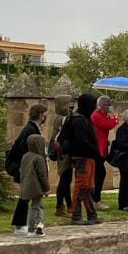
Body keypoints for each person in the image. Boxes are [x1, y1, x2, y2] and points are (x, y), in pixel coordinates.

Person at [5, 104, 47, 235]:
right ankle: (20, 224)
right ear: (40, 115)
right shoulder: (30, 130)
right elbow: (25, 150)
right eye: (44, 114)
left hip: (25, 167)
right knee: (25, 196)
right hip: (26, 168)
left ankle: (22, 223)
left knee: (26, 196)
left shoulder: (32, 128)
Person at [65, 93, 102, 225]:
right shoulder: (79, 120)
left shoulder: (84, 118)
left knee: (88, 186)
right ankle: (75, 214)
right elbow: (82, 141)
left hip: (89, 156)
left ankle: (91, 214)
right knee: (81, 186)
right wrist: (94, 150)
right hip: (82, 156)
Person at [90, 95, 119, 210]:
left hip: (102, 148)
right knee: (99, 174)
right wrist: (115, 118)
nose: (109, 107)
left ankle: (95, 198)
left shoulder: (103, 115)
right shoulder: (96, 116)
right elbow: (107, 125)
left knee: (99, 174)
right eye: (107, 104)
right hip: (97, 150)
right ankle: (95, 199)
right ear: (101, 106)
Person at [19, 133, 50, 236]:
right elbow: (42, 176)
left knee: (38, 206)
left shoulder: (25, 156)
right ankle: (31, 230)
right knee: (35, 207)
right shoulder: (39, 159)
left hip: (26, 185)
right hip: (36, 187)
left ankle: (40, 224)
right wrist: (46, 188)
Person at [51, 95, 75, 217]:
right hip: (63, 153)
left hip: (65, 152)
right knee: (64, 180)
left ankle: (69, 205)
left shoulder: (62, 118)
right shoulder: (62, 119)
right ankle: (59, 207)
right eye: (69, 102)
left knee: (67, 179)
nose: (72, 104)